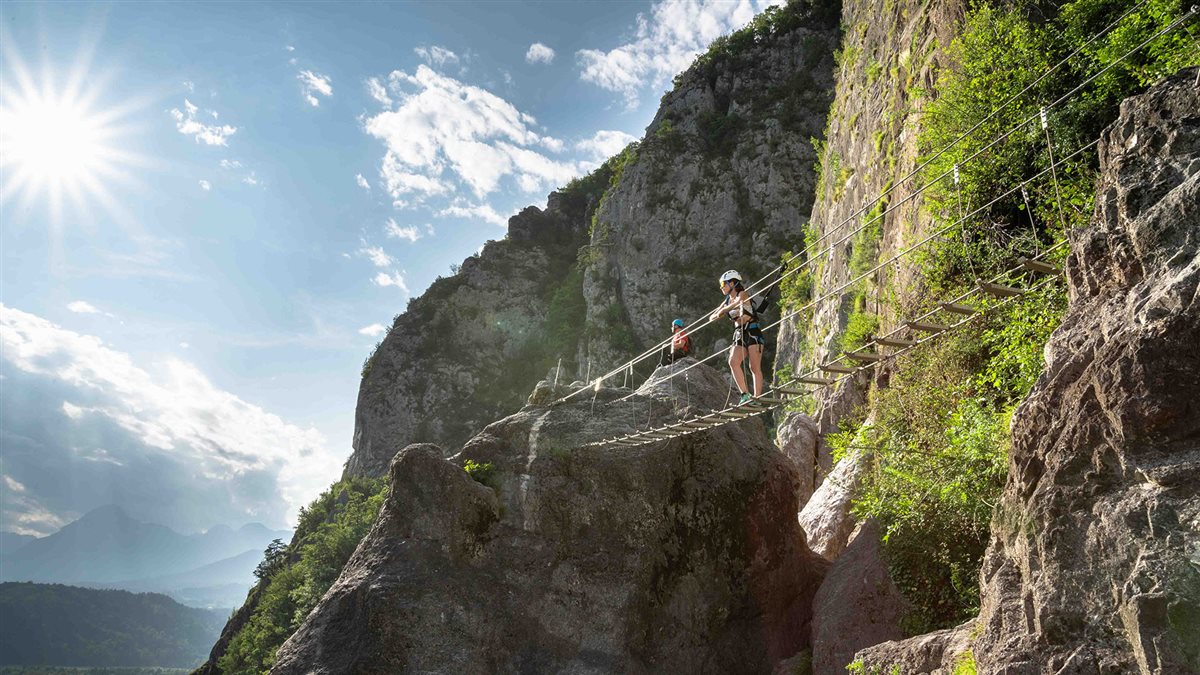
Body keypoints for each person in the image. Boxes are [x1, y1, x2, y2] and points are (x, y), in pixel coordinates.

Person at [709, 269, 765, 404]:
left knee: (754, 367)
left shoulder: (742, 293)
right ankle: (745, 394)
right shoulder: (727, 300)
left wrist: (723, 311)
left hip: (753, 331)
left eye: (723, 284)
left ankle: (757, 398)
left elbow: (737, 302)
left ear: (732, 283)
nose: (721, 287)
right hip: (739, 333)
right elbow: (711, 317)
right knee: (733, 361)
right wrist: (719, 313)